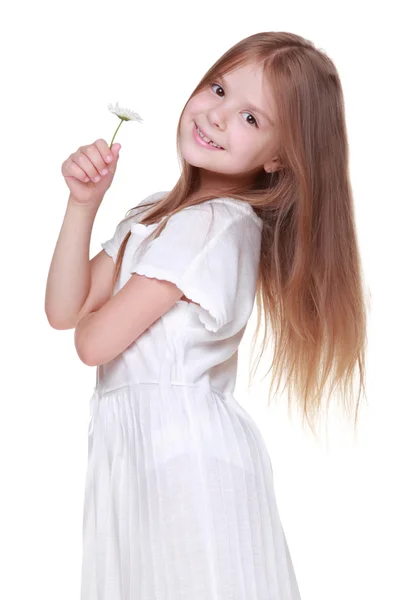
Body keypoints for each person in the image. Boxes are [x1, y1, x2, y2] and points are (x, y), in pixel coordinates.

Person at [45, 31, 367, 600]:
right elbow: (64, 310)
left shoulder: (214, 226)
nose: (217, 116)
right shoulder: (158, 214)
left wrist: (98, 307)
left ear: (277, 159)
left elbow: (92, 343)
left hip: (183, 461)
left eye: (249, 117)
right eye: (218, 88)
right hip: (151, 454)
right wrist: (83, 205)